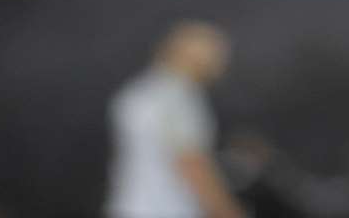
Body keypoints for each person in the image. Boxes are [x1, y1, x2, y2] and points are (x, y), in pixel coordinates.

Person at [105, 21, 246, 218]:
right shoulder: (179, 99)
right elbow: (192, 165)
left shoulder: (136, 92)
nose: (221, 64)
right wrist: (228, 213)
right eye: (216, 54)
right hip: (168, 209)